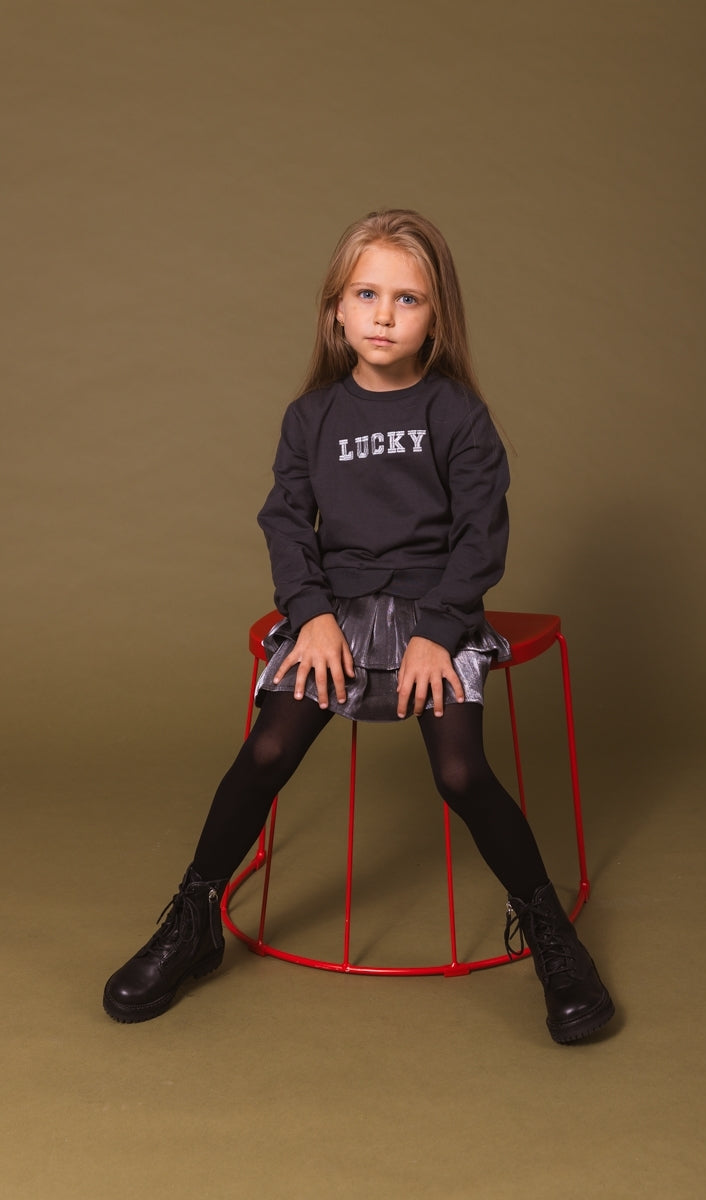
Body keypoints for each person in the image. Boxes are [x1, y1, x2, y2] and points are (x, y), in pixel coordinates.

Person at [102, 209, 615, 1044]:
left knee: (459, 772)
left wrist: (438, 631)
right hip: (334, 615)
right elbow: (284, 523)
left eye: (407, 299)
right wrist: (310, 616)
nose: (384, 315)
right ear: (335, 311)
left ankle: (551, 935)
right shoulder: (310, 418)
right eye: (366, 294)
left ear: (436, 319)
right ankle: (192, 918)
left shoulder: (458, 415)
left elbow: (481, 536)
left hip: (435, 611)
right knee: (268, 749)